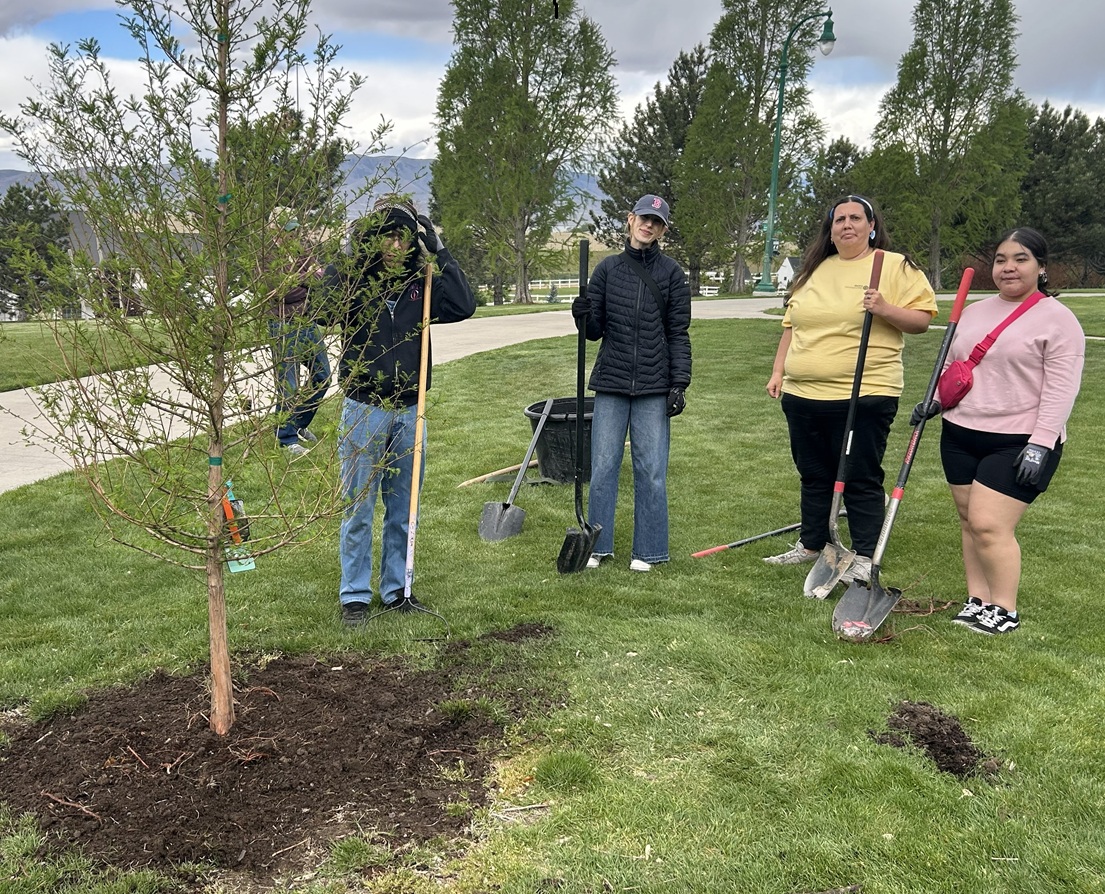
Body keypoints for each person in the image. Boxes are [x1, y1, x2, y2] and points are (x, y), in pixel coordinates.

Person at [910, 227, 1084, 635]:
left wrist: (1041, 443)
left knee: (990, 525)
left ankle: (1004, 609)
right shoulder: (974, 312)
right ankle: (978, 601)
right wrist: (935, 401)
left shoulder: (1058, 320)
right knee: (970, 521)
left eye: (1021, 259)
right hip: (960, 431)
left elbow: (1062, 389)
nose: (1009, 268)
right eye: (1001, 259)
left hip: (1019, 440)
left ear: (1041, 267)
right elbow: (955, 370)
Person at [764, 195, 937, 583]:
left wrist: (885, 308)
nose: (847, 225)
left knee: (858, 473)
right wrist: (779, 371)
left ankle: (862, 553)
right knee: (812, 472)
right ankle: (811, 544)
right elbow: (792, 327)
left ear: (871, 225)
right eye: (839, 219)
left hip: (864, 392)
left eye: (855, 218)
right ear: (830, 228)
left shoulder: (892, 266)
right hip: (803, 394)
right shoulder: (812, 271)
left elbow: (922, 320)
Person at [327, 202, 476, 625]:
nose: (394, 244)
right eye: (385, 235)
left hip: (410, 410)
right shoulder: (356, 281)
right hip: (363, 409)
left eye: (403, 236)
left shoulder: (424, 282)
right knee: (357, 507)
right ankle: (354, 595)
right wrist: (348, 252)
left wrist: (440, 251)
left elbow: (465, 305)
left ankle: (397, 590)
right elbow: (321, 310)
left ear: (414, 239)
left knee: (402, 508)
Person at [572, 194, 691, 572]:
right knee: (604, 466)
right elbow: (594, 332)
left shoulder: (672, 274)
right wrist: (581, 315)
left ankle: (650, 549)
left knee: (651, 470)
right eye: (644, 218)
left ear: (663, 229)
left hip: (655, 387)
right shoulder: (607, 270)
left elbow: (678, 333)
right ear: (630, 219)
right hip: (612, 382)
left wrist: (679, 382)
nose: (648, 226)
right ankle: (598, 545)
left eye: (656, 222)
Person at [268, 219, 331, 457]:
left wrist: (301, 278)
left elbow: (322, 275)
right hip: (282, 324)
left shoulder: (300, 252)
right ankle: (286, 438)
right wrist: (307, 279)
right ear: (275, 230)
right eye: (287, 230)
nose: (292, 235)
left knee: (322, 376)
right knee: (289, 384)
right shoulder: (265, 256)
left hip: (308, 322)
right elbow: (279, 291)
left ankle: (299, 422)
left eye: (295, 230)